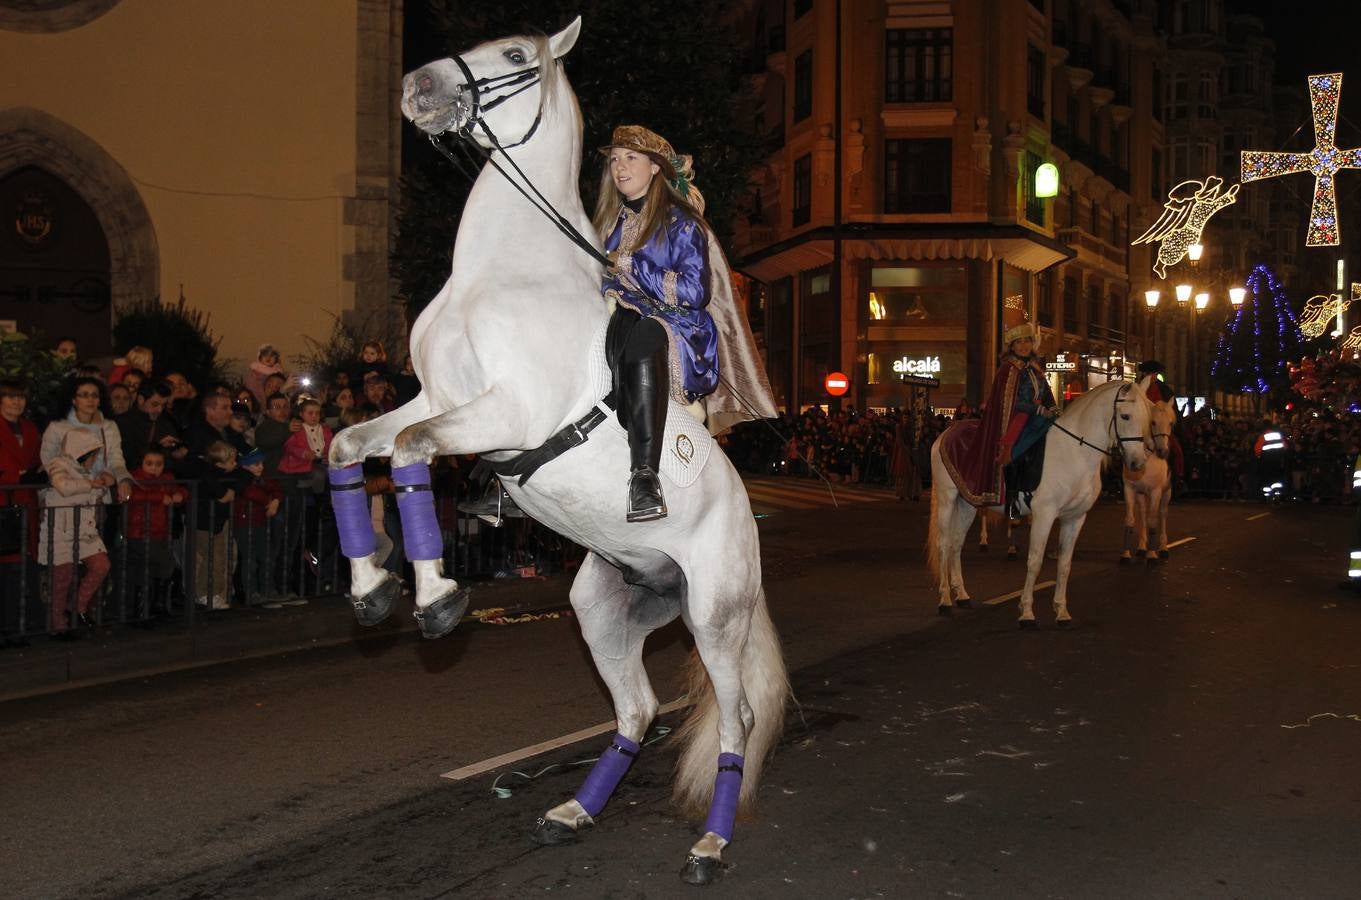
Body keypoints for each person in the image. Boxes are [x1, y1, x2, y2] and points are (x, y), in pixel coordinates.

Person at [944, 297, 1057, 519]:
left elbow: (1046, 394)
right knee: (1014, 452)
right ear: (1012, 346)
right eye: (1019, 343)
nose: (1024, 346)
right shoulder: (1008, 369)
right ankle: (1013, 498)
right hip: (1015, 419)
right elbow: (1009, 402)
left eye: (1027, 341)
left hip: (1036, 417)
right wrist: (1037, 410)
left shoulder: (1035, 368)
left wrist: (1053, 408)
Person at [39, 429, 113, 637]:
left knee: (101, 565)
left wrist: (102, 486)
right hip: (61, 531)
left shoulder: (86, 473)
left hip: (84, 530)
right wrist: (91, 485)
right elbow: (63, 487)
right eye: (93, 455)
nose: (95, 459)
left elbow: (94, 494)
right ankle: (58, 625)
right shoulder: (58, 465)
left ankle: (77, 606)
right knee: (62, 579)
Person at [40, 377, 134, 505]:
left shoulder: (109, 426)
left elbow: (115, 459)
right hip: (66, 497)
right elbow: (49, 461)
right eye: (84, 395)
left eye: (95, 395)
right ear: (74, 399)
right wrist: (81, 481)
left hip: (100, 496)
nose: (90, 399)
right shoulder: (57, 427)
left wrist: (117, 477)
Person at [0, 377, 43, 645]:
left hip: (24, 504)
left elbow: (37, 461)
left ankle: (13, 628)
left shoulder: (29, 428)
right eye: (10, 396)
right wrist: (17, 476)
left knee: (17, 572)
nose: (17, 402)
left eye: (21, 397)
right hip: (4, 503)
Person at [125, 446, 187, 618]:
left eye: (158, 464)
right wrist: (160, 498)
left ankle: (154, 606)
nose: (154, 468)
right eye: (150, 463)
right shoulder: (135, 478)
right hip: (139, 531)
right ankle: (147, 608)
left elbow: (182, 490)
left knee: (154, 567)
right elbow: (133, 496)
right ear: (142, 463)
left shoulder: (166, 479)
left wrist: (179, 495)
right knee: (158, 565)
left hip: (159, 531)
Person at [230, 447, 283, 606]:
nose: (260, 466)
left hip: (259, 522)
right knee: (249, 559)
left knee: (266, 556)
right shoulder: (243, 479)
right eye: (256, 464)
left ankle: (268, 589)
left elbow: (277, 489)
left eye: (261, 463)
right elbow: (251, 493)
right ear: (246, 466)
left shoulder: (263, 479)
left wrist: (275, 500)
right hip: (244, 523)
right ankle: (251, 592)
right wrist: (270, 500)